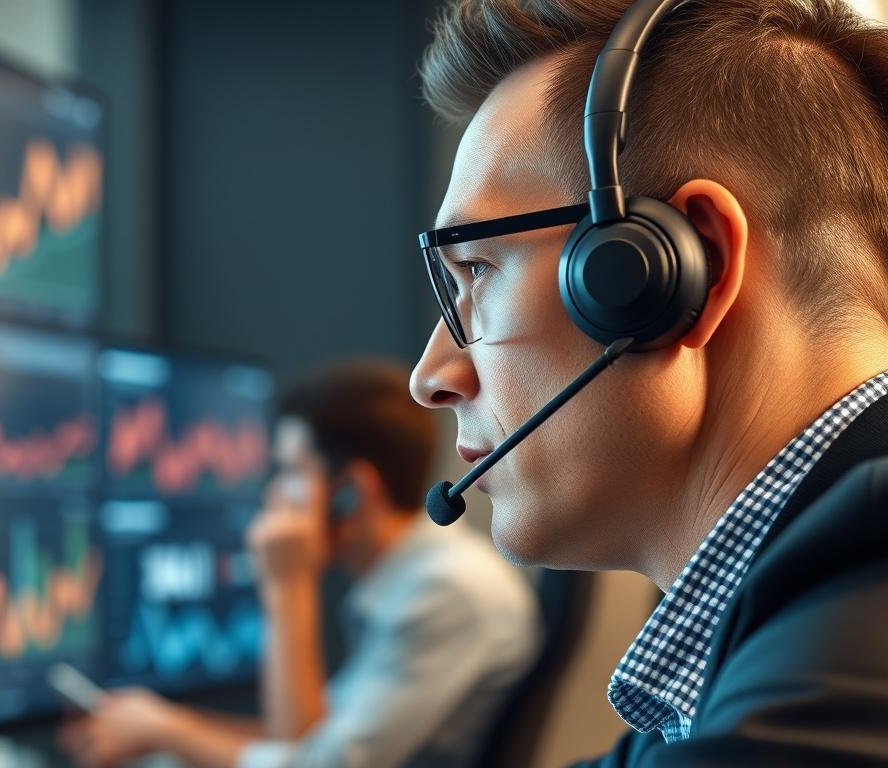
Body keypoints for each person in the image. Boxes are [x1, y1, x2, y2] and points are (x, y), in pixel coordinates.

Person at [409, 0, 888, 764]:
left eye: (478, 271)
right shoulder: (780, 626)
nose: (431, 377)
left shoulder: (861, 615)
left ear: (678, 269)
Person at [64, 361, 540, 768]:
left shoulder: (448, 592)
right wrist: (156, 728)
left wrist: (287, 588)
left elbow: (309, 762)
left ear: (351, 490)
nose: (273, 495)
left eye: (292, 471)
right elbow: (311, 742)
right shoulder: (417, 580)